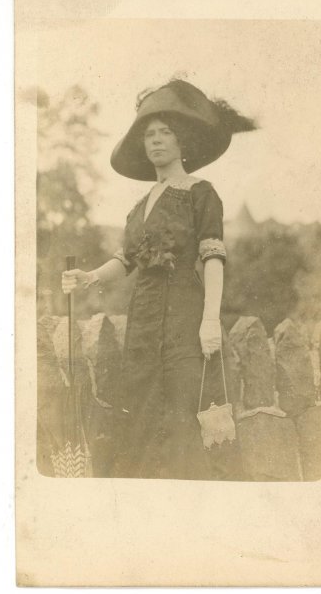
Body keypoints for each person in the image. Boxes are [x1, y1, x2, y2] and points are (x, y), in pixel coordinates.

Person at [61, 79, 254, 479]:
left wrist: (211, 319)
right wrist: (89, 277)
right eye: (149, 135)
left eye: (165, 133)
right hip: (144, 319)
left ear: (182, 141)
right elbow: (125, 259)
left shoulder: (202, 193)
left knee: (184, 403)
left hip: (186, 315)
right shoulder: (139, 206)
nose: (156, 141)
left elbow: (213, 257)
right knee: (142, 403)